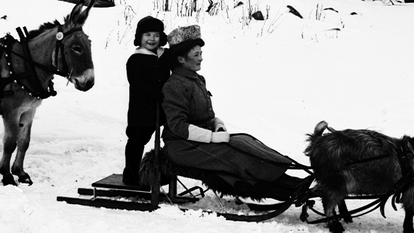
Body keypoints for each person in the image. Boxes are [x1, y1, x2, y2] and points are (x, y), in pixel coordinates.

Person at [159, 25, 307, 199]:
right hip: (183, 147)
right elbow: (178, 126)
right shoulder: (175, 85)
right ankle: (284, 188)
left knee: (244, 142)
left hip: (198, 142)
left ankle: (288, 180)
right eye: (196, 55)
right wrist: (212, 137)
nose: (201, 58)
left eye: (201, 54)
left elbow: (204, 115)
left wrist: (217, 125)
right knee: (236, 152)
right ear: (181, 59)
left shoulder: (196, 80)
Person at [123, 16, 168, 186]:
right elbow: (136, 82)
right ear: (140, 37)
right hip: (141, 109)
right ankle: (131, 175)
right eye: (147, 35)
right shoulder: (135, 59)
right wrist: (151, 93)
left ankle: (161, 171)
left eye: (156, 35)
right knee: (137, 140)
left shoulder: (164, 56)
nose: (152, 39)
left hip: (161, 106)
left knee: (167, 137)